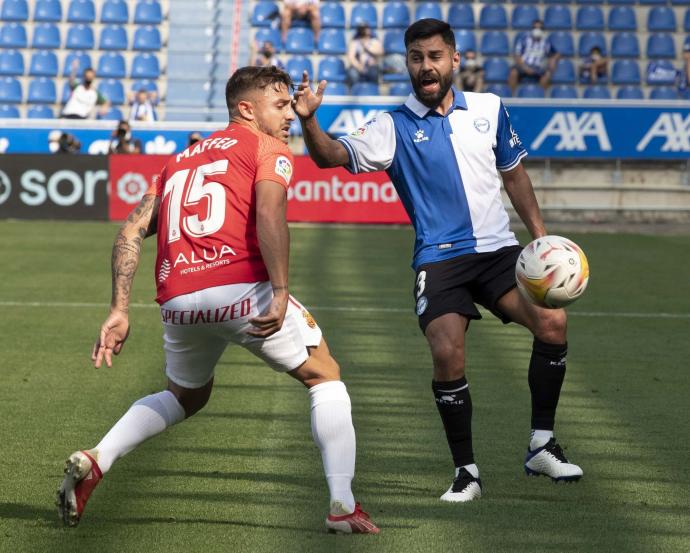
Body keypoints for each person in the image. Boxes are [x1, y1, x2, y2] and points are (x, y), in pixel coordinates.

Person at [56, 65, 378, 535]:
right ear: (247, 108)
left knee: (186, 395)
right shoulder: (268, 147)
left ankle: (97, 458)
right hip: (240, 289)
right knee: (325, 376)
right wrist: (281, 291)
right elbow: (269, 212)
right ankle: (343, 506)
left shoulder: (178, 161)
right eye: (281, 105)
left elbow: (130, 230)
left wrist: (119, 310)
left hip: (178, 299)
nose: (289, 114)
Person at [293, 18, 582, 503]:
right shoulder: (391, 125)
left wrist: (540, 241)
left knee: (553, 322)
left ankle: (541, 443)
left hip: (497, 253)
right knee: (448, 352)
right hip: (440, 259)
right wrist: (308, 120)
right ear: (407, 63)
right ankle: (466, 471)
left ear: (454, 60)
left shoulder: (489, 108)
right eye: (415, 58)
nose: (425, 67)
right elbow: (330, 157)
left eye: (433, 57)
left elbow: (515, 176)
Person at [508, 19, 560, 94]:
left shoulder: (546, 43)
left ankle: (541, 98)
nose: (537, 30)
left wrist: (554, 59)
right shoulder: (524, 40)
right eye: (535, 28)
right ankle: (512, 97)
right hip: (524, 65)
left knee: (547, 76)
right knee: (513, 73)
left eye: (540, 28)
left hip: (537, 68)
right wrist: (525, 67)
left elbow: (556, 53)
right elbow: (517, 55)